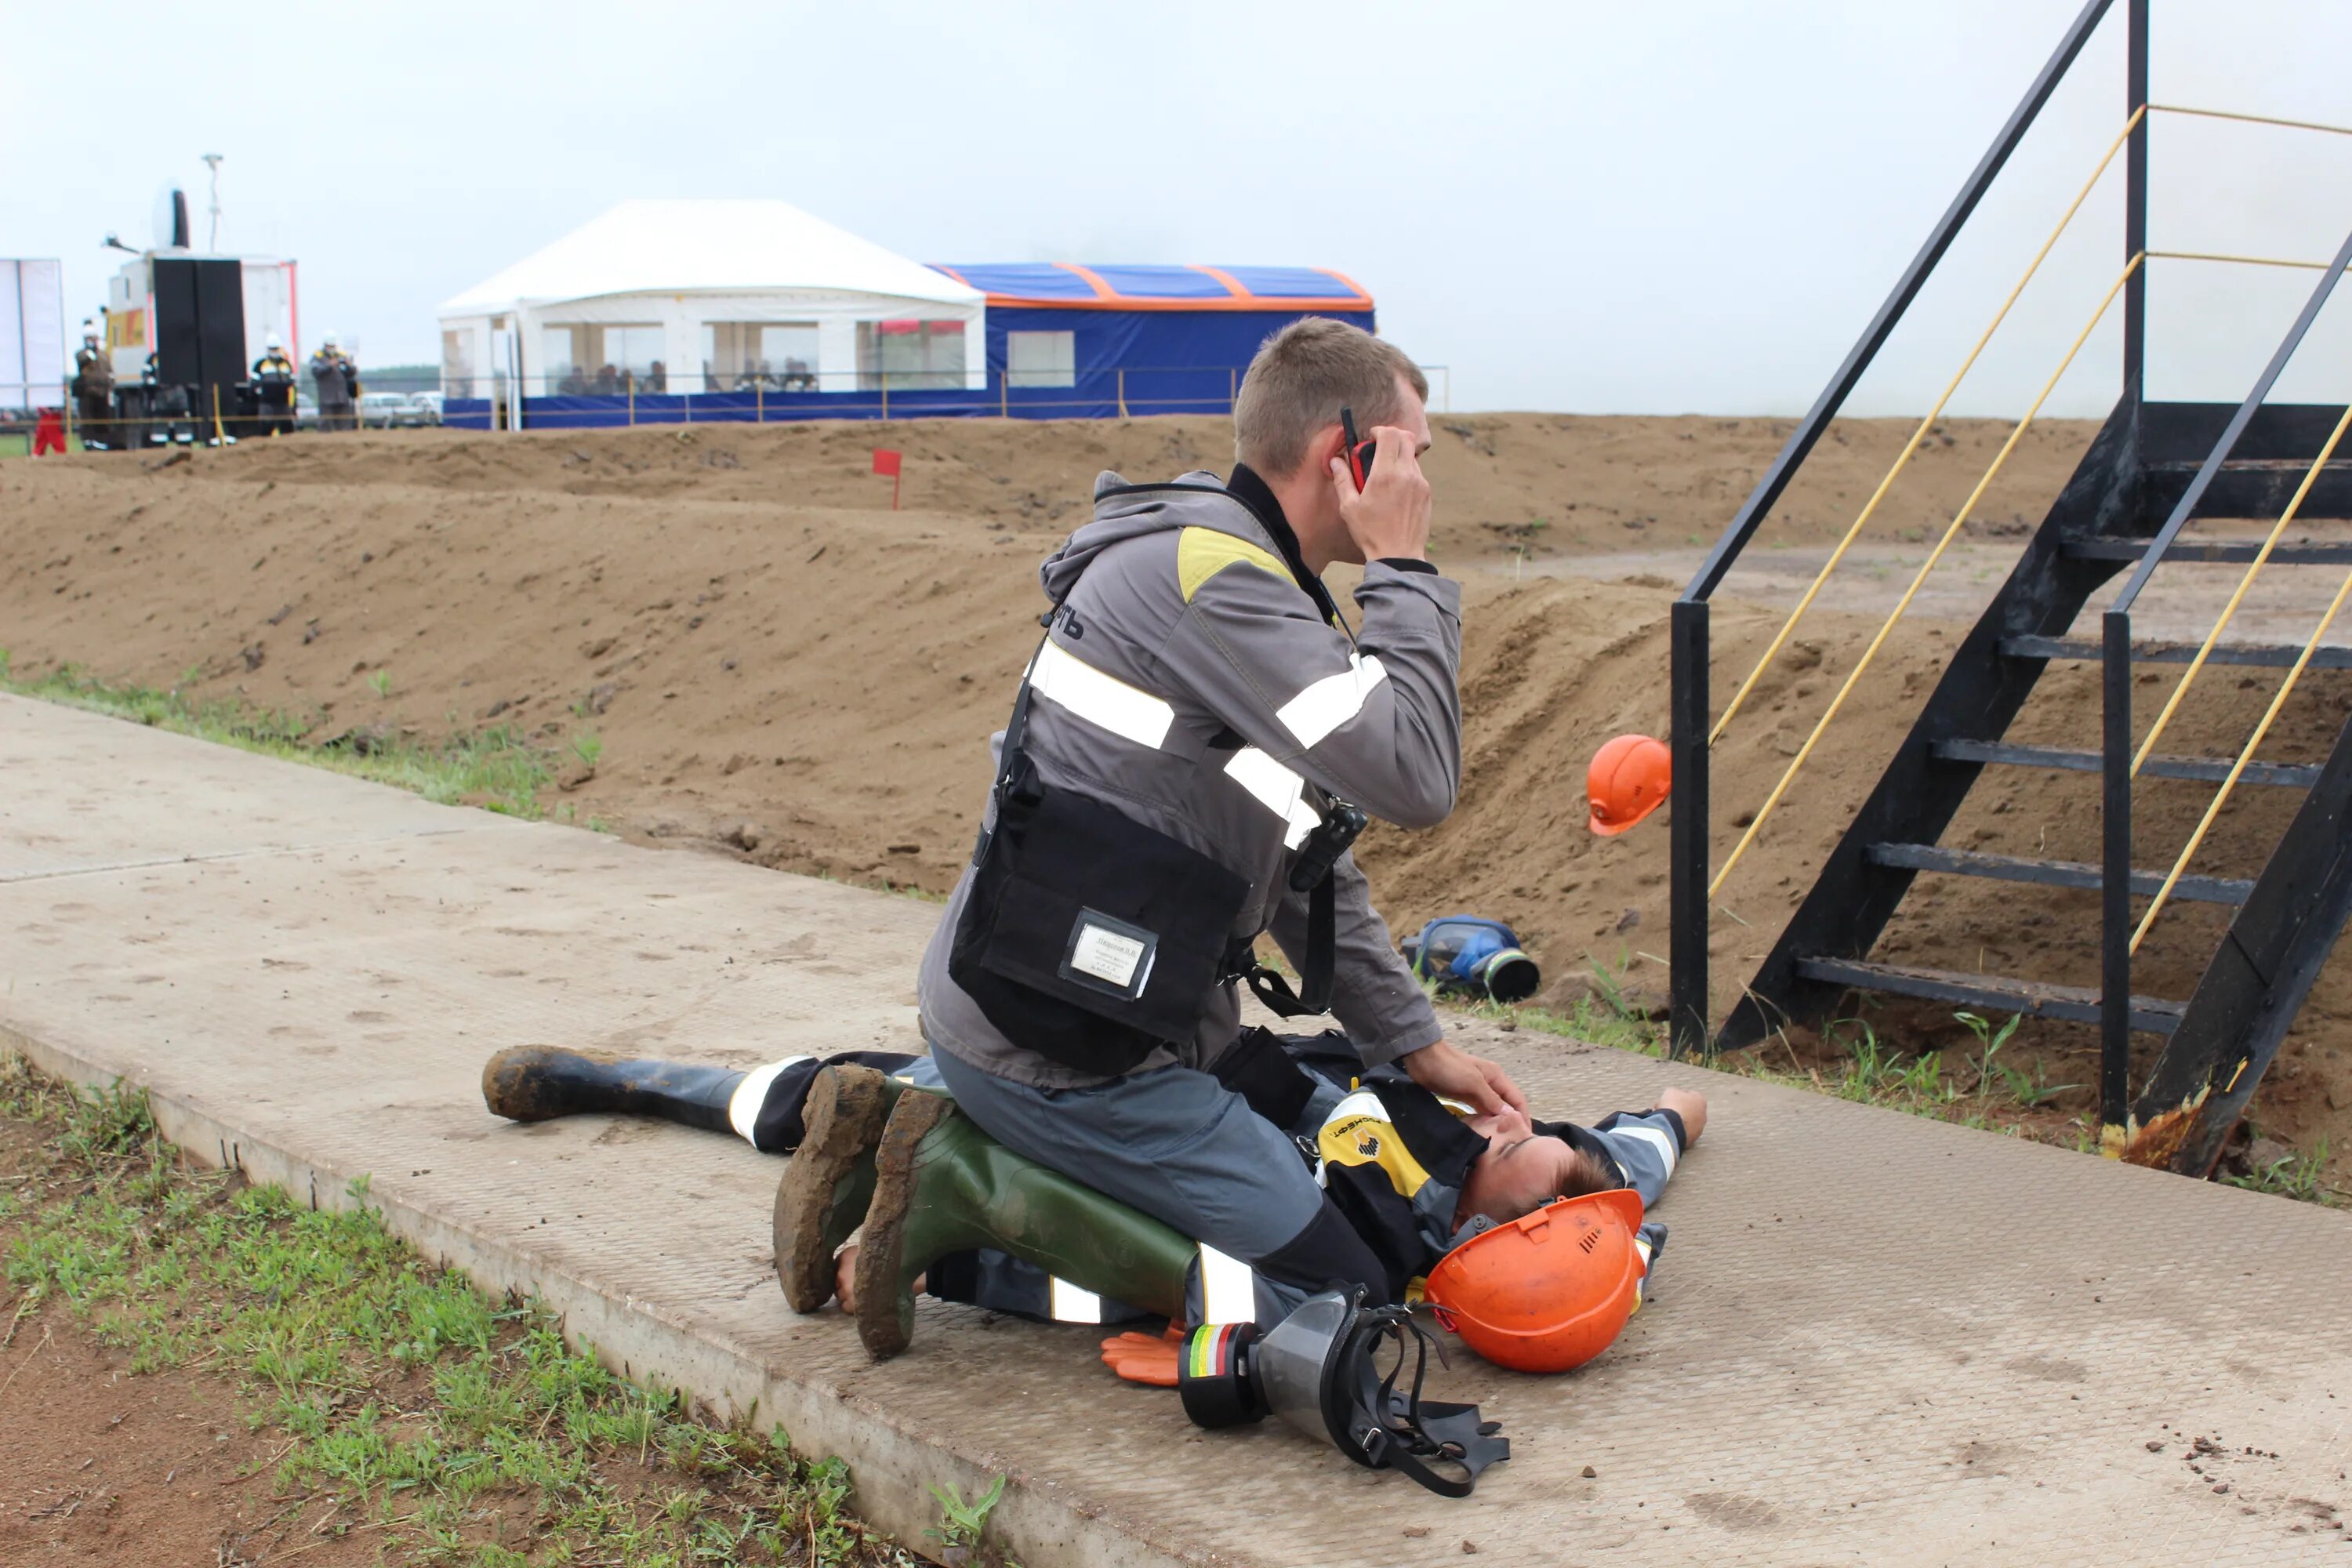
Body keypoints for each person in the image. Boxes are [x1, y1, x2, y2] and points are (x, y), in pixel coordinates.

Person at [793, 320, 1523, 1352]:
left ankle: (927, 1107)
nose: (1422, 480)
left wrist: (1412, 1043)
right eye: (1413, 453)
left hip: (1045, 998)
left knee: (1315, 1188)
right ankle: (950, 1199)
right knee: (1334, 1293)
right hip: (1069, 1049)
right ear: (1346, 456)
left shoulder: (1216, 564)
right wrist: (1404, 566)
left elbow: (1311, 863)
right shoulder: (1225, 589)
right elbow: (1415, 778)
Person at [474, 1038, 1704, 1361]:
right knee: (835, 1093)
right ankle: (619, 1081)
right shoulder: (1552, 1167)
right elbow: (1675, 1118)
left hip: (1110, 1156)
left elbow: (1122, 1291)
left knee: (1181, 1284)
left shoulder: (1382, 1276)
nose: (1516, 1136)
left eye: (1531, 1166)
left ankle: (923, 1217)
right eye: (1535, 1149)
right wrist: (1639, 1144)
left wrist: (951, 1269)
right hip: (1134, 1092)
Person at [70, 321, 112, 449]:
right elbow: (82, 361)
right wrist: (90, 353)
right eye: (88, 339)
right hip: (87, 393)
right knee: (87, 420)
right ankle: (88, 443)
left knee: (102, 419)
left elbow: (109, 371)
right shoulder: (81, 354)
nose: (92, 341)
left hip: (102, 392)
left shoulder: (104, 355)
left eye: (93, 338)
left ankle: (101, 443)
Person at [251, 332, 298, 437]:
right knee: (266, 429)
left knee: (287, 430)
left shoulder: (286, 364)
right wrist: (262, 392)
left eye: (276, 349)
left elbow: (292, 382)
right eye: (272, 349)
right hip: (267, 403)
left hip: (283, 403)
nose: (274, 351)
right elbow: (253, 383)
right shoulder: (260, 364)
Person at [310, 333, 358, 431]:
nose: (332, 348)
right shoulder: (318, 356)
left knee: (344, 426)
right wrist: (329, 365)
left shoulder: (342, 356)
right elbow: (316, 371)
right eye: (330, 346)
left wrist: (350, 366)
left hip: (342, 398)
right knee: (326, 426)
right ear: (325, 345)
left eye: (333, 346)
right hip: (327, 398)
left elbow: (352, 373)